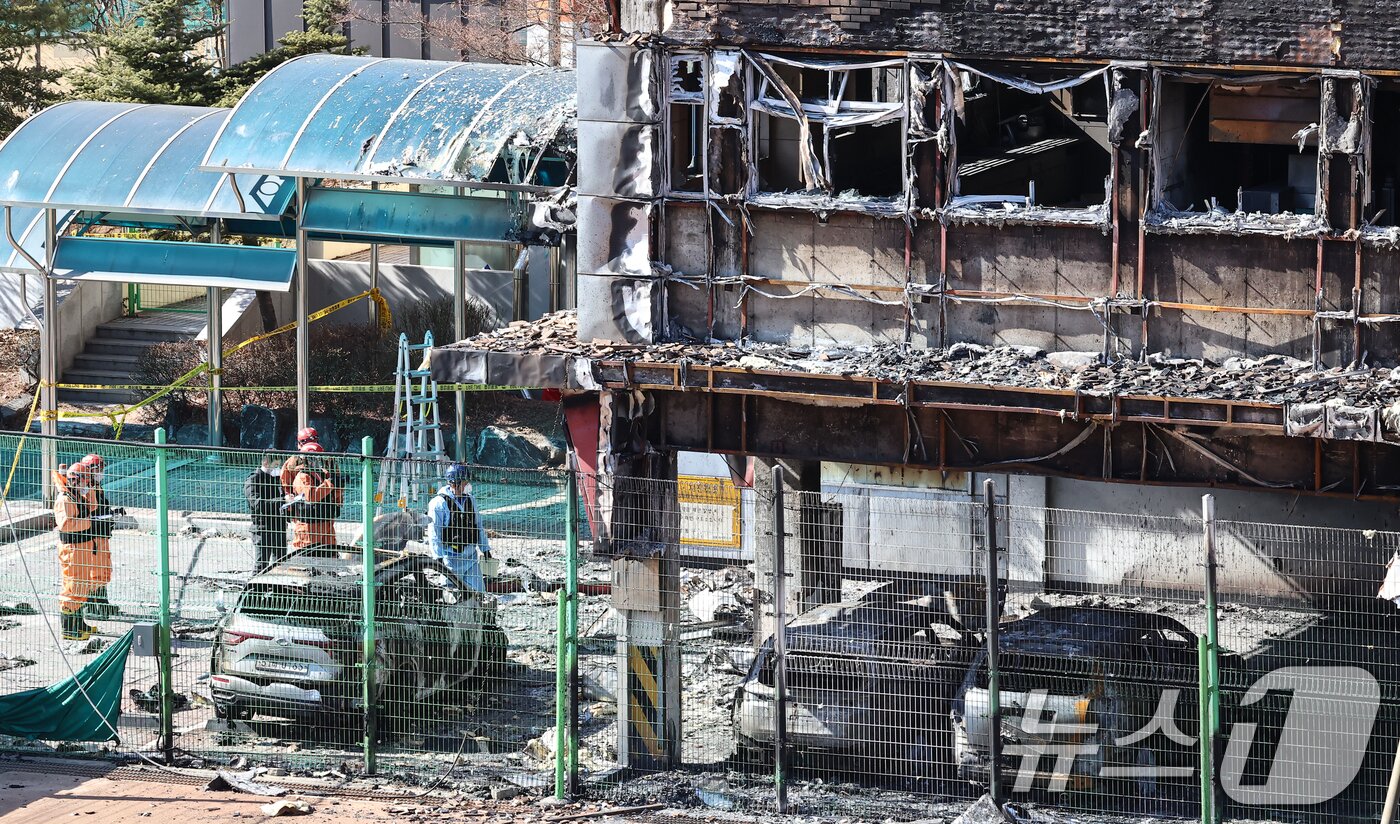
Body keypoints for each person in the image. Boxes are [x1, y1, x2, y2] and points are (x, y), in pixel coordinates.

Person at [53, 462, 112, 641]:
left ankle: (80, 624)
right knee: (73, 586)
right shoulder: (65, 499)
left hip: (83, 546)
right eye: (85, 479)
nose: (88, 482)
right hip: (73, 548)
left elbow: (92, 508)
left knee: (82, 585)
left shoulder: (77, 494)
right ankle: (70, 629)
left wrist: (90, 492)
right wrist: (89, 522)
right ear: (75, 479)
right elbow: (66, 524)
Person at [427, 464, 491, 591]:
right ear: (454, 483)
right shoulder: (439, 504)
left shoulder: (470, 500)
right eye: (464, 482)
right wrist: (438, 558)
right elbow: (434, 532)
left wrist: (485, 549)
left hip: (470, 559)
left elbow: (478, 526)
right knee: (452, 596)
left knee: (479, 594)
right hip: (450, 561)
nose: (468, 485)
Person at [78, 454, 121, 619]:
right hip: (93, 534)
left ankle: (103, 604)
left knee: (103, 570)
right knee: (94, 571)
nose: (101, 472)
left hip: (101, 533)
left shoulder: (96, 486)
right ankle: (91, 606)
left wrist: (110, 515)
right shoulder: (86, 488)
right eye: (98, 468)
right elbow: (89, 512)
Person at [283, 442, 344, 550]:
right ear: (308, 460)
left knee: (329, 553)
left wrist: (338, 493)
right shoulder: (303, 476)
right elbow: (311, 497)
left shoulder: (321, 473)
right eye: (315, 458)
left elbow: (334, 492)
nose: (318, 461)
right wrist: (329, 483)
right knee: (308, 556)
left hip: (325, 520)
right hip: (309, 525)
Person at [245, 449, 289, 571]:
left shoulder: (276, 478)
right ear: (265, 463)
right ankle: (255, 589)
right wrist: (282, 500)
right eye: (275, 465)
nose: (277, 468)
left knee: (280, 565)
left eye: (278, 466)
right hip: (263, 529)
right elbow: (257, 504)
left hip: (279, 527)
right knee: (261, 566)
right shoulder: (254, 479)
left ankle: (277, 589)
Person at [280, 427, 321, 497]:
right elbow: (286, 485)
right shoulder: (292, 462)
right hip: (302, 498)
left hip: (319, 496)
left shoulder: (291, 462)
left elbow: (286, 484)